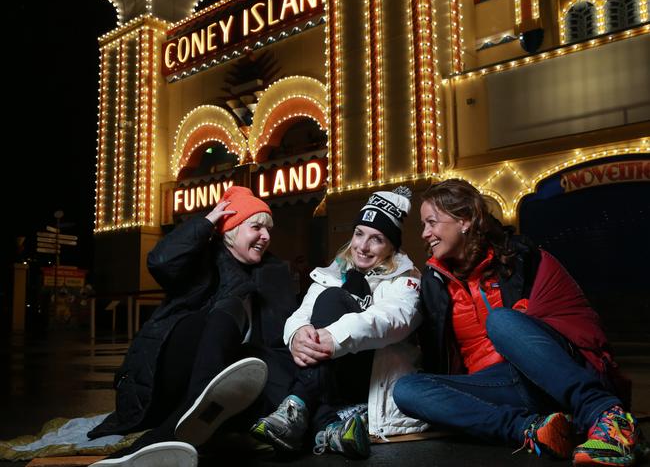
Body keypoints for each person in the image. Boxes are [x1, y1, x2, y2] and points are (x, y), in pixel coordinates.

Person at [393, 179, 641, 466]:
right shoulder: (434, 284)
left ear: (465, 220)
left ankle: (607, 415)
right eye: (423, 225)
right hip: (501, 390)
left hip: (549, 372)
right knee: (408, 389)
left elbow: (574, 319)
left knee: (500, 322)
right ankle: (534, 430)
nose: (425, 234)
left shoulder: (519, 257)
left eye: (431, 222)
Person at [87, 186, 299, 466]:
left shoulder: (274, 274)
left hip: (232, 393)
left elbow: (278, 343)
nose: (266, 236)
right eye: (256, 227)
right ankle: (190, 411)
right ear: (231, 230)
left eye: (268, 229)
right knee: (228, 307)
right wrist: (206, 222)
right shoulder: (201, 259)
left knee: (255, 352)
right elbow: (161, 262)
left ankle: (192, 418)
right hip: (168, 382)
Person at [251, 187, 428, 459]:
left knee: (333, 299)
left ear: (392, 245)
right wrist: (298, 334)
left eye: (377, 239)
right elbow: (302, 313)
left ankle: (298, 403)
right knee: (266, 355)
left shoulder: (406, 278)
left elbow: (390, 320)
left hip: (367, 377)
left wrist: (330, 337)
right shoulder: (333, 272)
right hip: (328, 372)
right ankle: (330, 428)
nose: (362, 246)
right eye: (359, 234)